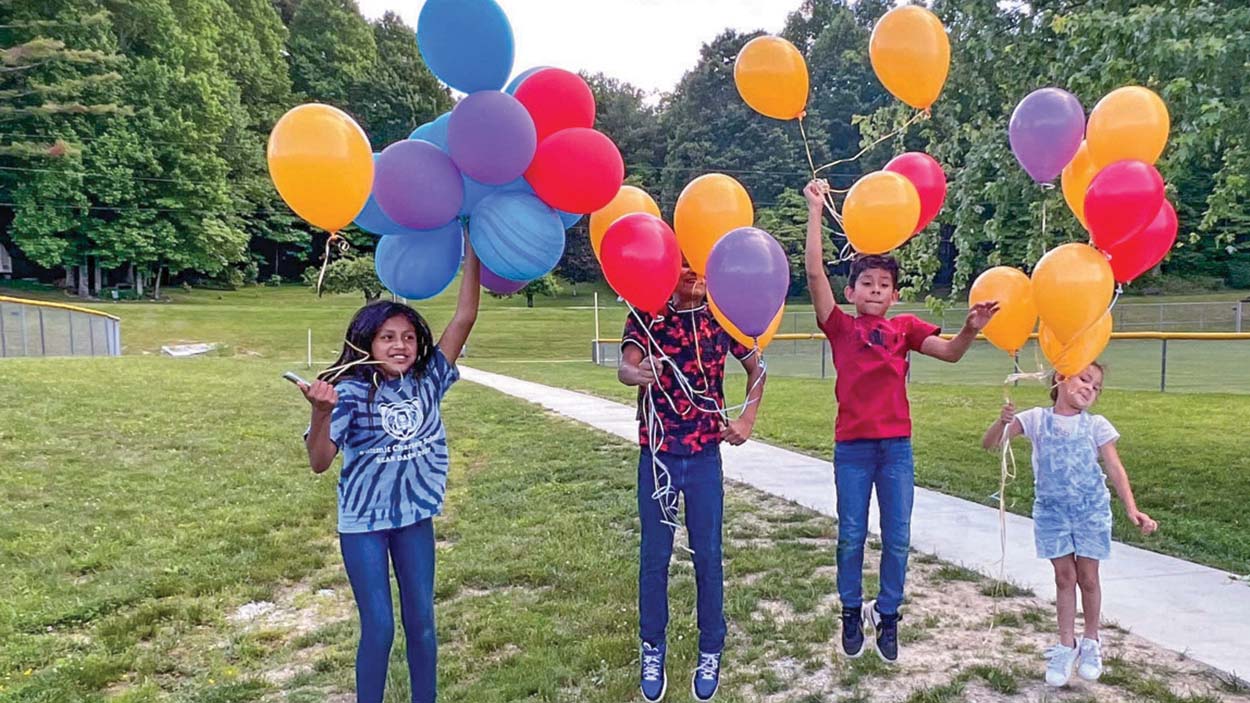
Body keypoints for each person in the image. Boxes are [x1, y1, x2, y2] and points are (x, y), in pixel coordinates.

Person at [803, 179, 999, 663]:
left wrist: (971, 329)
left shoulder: (904, 329)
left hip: (895, 450)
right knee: (851, 534)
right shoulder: (841, 327)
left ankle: (888, 614)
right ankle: (852, 609)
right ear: (851, 291)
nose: (875, 290)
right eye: (866, 284)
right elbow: (813, 276)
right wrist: (813, 211)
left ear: (893, 294)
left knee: (898, 537)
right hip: (852, 449)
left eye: (884, 285)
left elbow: (950, 353)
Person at [299, 239, 481, 703]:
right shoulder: (350, 393)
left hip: (413, 520)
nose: (400, 345)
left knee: (421, 623)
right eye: (387, 337)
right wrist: (321, 413)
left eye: (408, 337)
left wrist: (474, 248)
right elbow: (320, 462)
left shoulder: (429, 381)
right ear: (366, 343)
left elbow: (463, 318)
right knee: (379, 628)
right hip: (363, 526)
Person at [618, 259, 766, 701]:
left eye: (699, 265)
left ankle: (710, 648)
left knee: (708, 555)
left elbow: (758, 368)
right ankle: (652, 647)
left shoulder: (722, 315)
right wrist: (635, 373)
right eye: (683, 264)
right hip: (658, 456)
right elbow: (625, 366)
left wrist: (747, 418)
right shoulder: (647, 313)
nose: (693, 274)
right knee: (654, 557)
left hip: (703, 457)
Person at [982, 362, 1157, 687]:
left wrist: (1132, 509)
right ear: (1060, 378)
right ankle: (1066, 645)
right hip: (1052, 514)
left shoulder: (1097, 426)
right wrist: (1001, 421)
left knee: (1088, 579)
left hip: (1091, 512)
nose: (1091, 388)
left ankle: (1091, 642)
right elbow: (991, 443)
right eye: (1085, 379)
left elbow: (1116, 469)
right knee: (1065, 578)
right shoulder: (1035, 419)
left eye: (1097, 387)